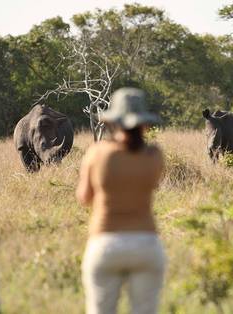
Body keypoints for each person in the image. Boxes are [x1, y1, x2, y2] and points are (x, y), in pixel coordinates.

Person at [76, 87, 167, 314]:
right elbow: (152, 185)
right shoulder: (154, 155)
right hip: (146, 244)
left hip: (105, 243)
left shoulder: (97, 153)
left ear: (112, 121)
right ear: (144, 124)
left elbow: (84, 197)